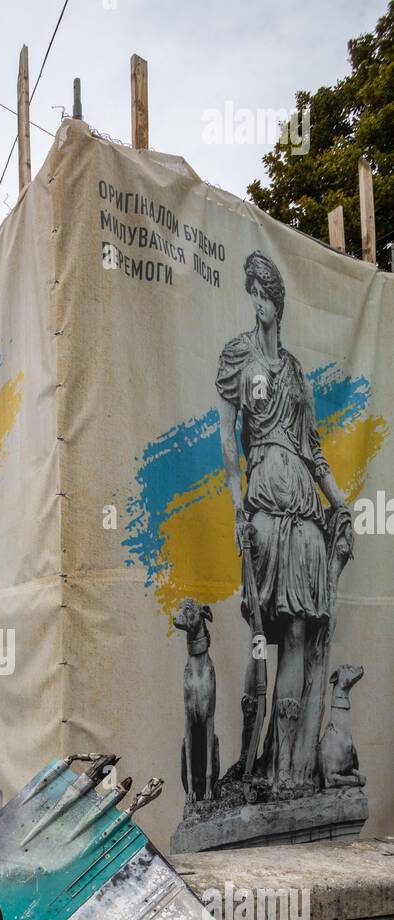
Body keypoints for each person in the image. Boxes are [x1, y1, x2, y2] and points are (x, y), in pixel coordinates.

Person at [216, 250, 352, 795]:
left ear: (277, 301)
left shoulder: (296, 372)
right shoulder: (236, 358)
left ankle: (289, 772)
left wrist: (340, 503)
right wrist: (236, 509)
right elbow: (229, 445)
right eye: (251, 293)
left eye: (264, 293)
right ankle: (256, 763)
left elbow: (316, 452)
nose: (257, 303)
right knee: (261, 634)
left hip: (305, 515)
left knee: (298, 632)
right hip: (265, 509)